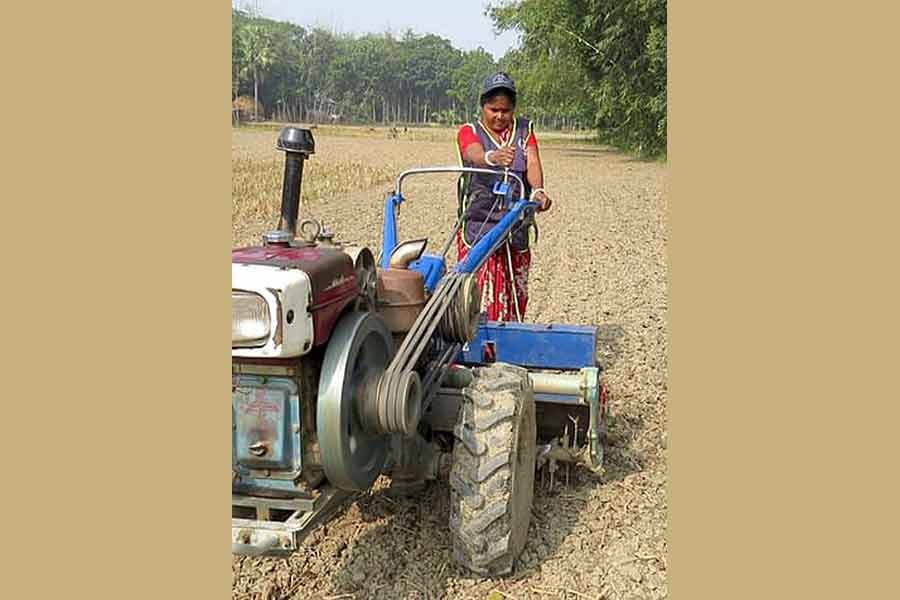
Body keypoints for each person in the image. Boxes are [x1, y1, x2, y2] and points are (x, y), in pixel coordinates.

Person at [455, 72, 553, 322]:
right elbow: (472, 153)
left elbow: (532, 161)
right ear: (482, 107)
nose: (499, 116)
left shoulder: (523, 130)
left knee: (514, 291)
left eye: (505, 110)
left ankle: (511, 339)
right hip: (480, 225)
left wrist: (539, 189)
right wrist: (491, 157)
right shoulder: (470, 131)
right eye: (493, 109)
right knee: (475, 295)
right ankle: (476, 346)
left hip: (515, 224)